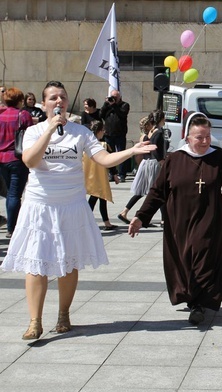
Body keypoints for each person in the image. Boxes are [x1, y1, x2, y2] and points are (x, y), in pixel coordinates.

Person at [1, 81, 155, 340]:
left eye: (62, 97)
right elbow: (30, 161)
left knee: (68, 262)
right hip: (40, 205)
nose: (58, 101)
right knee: (36, 262)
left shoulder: (81, 132)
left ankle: (63, 314)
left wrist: (131, 151)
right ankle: (34, 321)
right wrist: (49, 130)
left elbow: (103, 159)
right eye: (52, 98)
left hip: (71, 205)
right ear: (44, 103)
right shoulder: (34, 130)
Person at [128, 113, 222, 325]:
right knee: (183, 261)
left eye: (207, 136)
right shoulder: (174, 159)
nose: (205, 141)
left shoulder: (217, 158)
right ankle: (190, 297)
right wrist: (141, 217)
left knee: (203, 259)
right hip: (179, 222)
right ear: (187, 137)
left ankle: (199, 304)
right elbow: (157, 192)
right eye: (199, 137)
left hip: (208, 221)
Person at [117, 110, 166, 225]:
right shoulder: (158, 132)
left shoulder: (149, 132)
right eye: (164, 118)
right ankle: (163, 220)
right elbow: (157, 150)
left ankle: (124, 211)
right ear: (161, 119)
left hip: (146, 162)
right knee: (159, 190)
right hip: (154, 163)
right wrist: (162, 162)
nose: (165, 121)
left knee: (144, 190)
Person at [0, 87, 31, 239]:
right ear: (19, 100)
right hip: (17, 158)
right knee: (14, 195)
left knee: (10, 195)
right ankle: (12, 227)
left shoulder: (1, 115)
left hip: (2, 159)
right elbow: (31, 134)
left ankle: (11, 225)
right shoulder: (23, 114)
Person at [83, 120, 119, 230]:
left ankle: (105, 222)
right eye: (103, 130)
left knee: (99, 198)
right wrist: (114, 174)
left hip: (89, 176)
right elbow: (110, 161)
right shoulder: (103, 145)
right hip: (100, 177)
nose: (104, 132)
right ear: (99, 131)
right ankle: (87, 221)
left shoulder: (84, 145)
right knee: (98, 198)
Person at [101, 89, 130, 182]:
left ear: (119, 97)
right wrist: (106, 104)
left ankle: (122, 174)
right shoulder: (108, 105)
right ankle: (112, 174)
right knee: (110, 154)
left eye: (115, 97)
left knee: (121, 154)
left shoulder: (125, 105)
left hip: (120, 133)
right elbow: (101, 114)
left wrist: (114, 105)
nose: (113, 99)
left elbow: (122, 114)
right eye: (112, 97)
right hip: (109, 133)